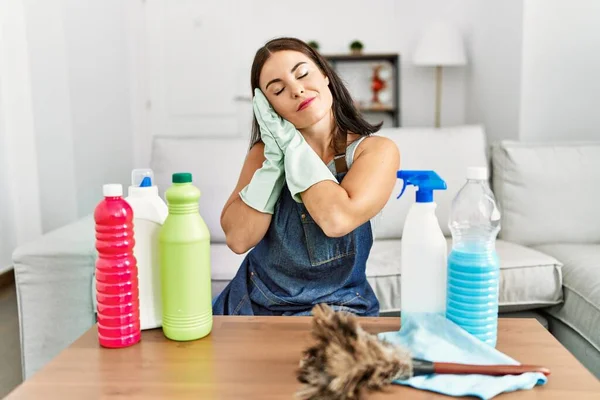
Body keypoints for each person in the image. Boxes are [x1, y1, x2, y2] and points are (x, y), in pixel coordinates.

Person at [212, 37, 400, 316]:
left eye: (302, 74)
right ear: (268, 107)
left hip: (338, 310)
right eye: (278, 90)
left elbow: (336, 219)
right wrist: (275, 162)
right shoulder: (264, 154)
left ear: (325, 75)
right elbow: (238, 239)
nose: (297, 90)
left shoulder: (375, 151)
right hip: (250, 304)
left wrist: (291, 145)